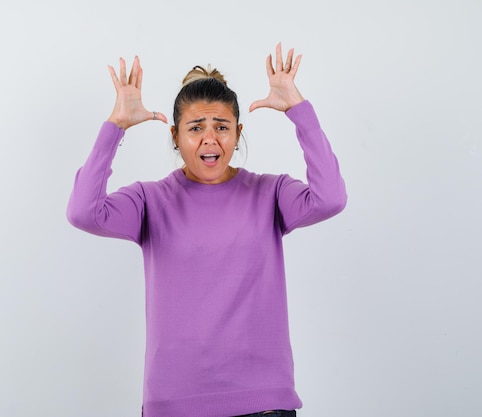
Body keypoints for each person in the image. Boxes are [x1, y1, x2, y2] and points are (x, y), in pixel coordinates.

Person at [67, 42, 347, 417]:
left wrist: (300, 112)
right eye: (196, 127)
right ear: (176, 137)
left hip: (264, 404)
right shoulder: (150, 201)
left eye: (221, 127)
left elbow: (330, 198)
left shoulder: (270, 192)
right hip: (174, 404)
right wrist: (115, 126)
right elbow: (84, 212)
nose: (210, 139)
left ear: (237, 132)